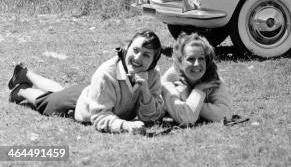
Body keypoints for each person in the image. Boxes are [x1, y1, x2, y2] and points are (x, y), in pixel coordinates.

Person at [8, 29, 165, 134]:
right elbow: (100, 117)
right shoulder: (107, 73)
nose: (138, 58)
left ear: (153, 62)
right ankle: (21, 89)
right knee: (47, 103)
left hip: (96, 94)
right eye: (135, 50)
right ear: (127, 48)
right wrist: (125, 125)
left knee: (61, 91)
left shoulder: (153, 75)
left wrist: (145, 91)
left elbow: (152, 117)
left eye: (146, 55)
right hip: (87, 103)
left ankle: (24, 73)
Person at [162, 33, 232, 126]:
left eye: (201, 58)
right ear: (180, 61)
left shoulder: (212, 77)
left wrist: (191, 102)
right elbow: (186, 118)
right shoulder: (169, 80)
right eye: (190, 59)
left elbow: (225, 114)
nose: (197, 64)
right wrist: (198, 90)